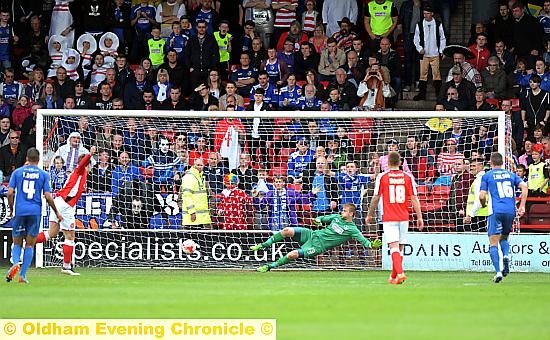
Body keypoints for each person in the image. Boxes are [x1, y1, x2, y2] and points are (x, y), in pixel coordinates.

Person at [251, 203, 382, 272]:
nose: (342, 212)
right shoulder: (336, 217)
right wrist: (318, 220)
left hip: (317, 246)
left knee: (292, 255)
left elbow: (364, 241)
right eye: (342, 210)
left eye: (344, 210)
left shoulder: (352, 229)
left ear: (351, 214)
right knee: (286, 230)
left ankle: (269, 267)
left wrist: (371, 245)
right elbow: (321, 218)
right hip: (312, 234)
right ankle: (263, 245)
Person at [34, 147, 97, 276]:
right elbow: (82, 164)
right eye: (90, 165)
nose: (91, 168)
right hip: (65, 205)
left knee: (51, 233)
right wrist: (90, 153)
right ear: (87, 164)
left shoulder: (78, 174)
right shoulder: (80, 171)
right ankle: (67, 266)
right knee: (70, 237)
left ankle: (26, 242)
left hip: (58, 202)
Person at [5, 148, 63, 284]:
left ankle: (14, 263)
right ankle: (22, 276)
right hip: (35, 212)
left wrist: (12, 209)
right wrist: (56, 212)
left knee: (17, 242)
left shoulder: (17, 172)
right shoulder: (43, 174)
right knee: (30, 245)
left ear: (27, 158)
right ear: (38, 159)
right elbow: (48, 196)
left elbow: (9, 193)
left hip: (20, 211)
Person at [366, 151, 424, 285]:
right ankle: (393, 277)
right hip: (404, 217)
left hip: (389, 216)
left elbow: (376, 197)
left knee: (393, 247)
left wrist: (370, 214)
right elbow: (414, 198)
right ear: (400, 162)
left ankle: (400, 272)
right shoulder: (408, 177)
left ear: (387, 163)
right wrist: (419, 217)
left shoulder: (382, 177)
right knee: (400, 247)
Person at [477, 152, 528, 283]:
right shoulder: (511, 175)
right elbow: (524, 186)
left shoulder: (487, 176)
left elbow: (482, 196)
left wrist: (483, 205)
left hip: (495, 211)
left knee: (493, 242)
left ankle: (498, 272)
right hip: (510, 211)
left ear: (491, 162)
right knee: (504, 237)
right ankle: (506, 255)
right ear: (502, 163)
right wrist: (522, 205)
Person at [180, 158, 212, 228]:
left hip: (201, 218)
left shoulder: (201, 177)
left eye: (201, 165)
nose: (199, 167)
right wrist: (192, 212)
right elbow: (187, 196)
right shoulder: (189, 177)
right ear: (193, 165)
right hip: (192, 218)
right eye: (198, 165)